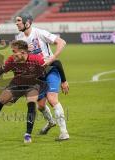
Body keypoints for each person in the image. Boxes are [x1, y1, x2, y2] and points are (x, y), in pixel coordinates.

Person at [0, 40, 48, 143]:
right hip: (17, 84)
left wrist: (51, 87)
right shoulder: (11, 60)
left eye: (14, 51)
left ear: (22, 52)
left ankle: (27, 134)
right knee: (1, 101)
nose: (12, 54)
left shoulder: (37, 60)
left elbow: (49, 69)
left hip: (32, 85)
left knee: (31, 103)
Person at [15, 13, 69, 141]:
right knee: (40, 105)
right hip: (37, 75)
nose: (16, 23)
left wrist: (53, 57)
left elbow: (62, 42)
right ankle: (51, 122)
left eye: (18, 21)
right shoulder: (19, 38)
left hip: (50, 70)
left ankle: (64, 132)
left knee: (52, 99)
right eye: (16, 21)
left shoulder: (39, 33)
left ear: (27, 22)